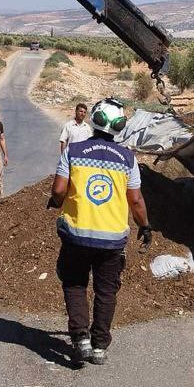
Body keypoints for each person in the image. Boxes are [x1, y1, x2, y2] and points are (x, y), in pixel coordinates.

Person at [47, 97, 151, 365]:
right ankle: (99, 346)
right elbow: (136, 200)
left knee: (74, 283)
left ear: (94, 119)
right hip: (112, 240)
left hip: (77, 235)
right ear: (119, 126)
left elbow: (59, 190)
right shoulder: (128, 158)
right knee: (106, 292)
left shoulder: (74, 151)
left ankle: (80, 338)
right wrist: (145, 226)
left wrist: (56, 202)